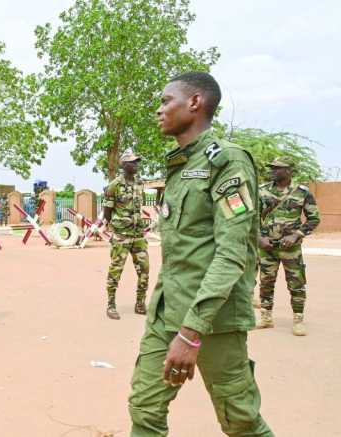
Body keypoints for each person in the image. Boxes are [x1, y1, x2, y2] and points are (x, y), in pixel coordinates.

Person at [128, 72, 273, 436]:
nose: (159, 110)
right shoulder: (180, 166)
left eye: (165, 101)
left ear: (194, 103)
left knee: (239, 419)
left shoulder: (226, 163)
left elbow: (231, 255)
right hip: (167, 313)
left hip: (213, 320)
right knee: (144, 409)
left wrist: (191, 334)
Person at [257, 156, 320, 335]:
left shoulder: (302, 193)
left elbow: (314, 218)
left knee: (296, 283)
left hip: (290, 249)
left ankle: (298, 319)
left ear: (289, 171)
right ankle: (266, 317)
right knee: (266, 282)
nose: (273, 171)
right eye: (272, 168)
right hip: (266, 246)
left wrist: (296, 235)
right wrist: (258, 239)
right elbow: (251, 217)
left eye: (278, 168)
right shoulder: (261, 191)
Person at [103, 152, 149, 318]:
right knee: (116, 270)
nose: (136, 165)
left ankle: (140, 303)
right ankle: (111, 304)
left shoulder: (139, 183)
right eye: (132, 162)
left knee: (144, 270)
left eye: (137, 162)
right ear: (123, 165)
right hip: (121, 236)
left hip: (138, 235)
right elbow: (107, 211)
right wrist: (114, 228)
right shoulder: (114, 186)